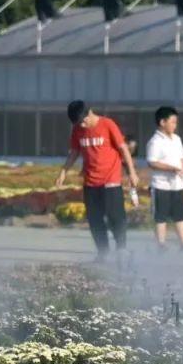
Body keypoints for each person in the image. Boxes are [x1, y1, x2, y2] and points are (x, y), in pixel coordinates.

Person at [55, 100, 139, 260]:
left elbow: (123, 149)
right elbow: (74, 152)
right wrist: (63, 172)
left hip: (111, 179)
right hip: (90, 181)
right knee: (95, 219)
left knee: (115, 216)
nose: (82, 125)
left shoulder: (108, 124)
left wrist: (132, 173)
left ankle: (122, 249)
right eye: (79, 123)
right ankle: (103, 252)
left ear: (90, 113)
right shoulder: (77, 129)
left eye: (83, 121)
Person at [145, 106, 183, 254]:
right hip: (161, 185)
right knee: (161, 216)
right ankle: (161, 245)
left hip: (177, 185)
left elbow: (182, 160)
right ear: (162, 122)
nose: (175, 125)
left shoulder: (177, 139)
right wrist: (171, 168)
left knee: (180, 215)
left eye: (176, 122)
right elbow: (152, 162)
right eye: (172, 122)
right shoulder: (155, 141)